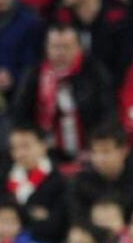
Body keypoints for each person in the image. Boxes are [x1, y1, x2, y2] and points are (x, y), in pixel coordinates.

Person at [12, 23, 115, 160]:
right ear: (46, 48)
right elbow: (20, 116)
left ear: (79, 48)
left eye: (66, 47)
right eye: (55, 47)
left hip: (89, 150)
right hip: (46, 150)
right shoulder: (34, 75)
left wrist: (95, 147)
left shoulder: (95, 73)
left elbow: (108, 114)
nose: (60, 53)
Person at [0, 122, 69, 243]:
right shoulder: (2, 175)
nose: (20, 154)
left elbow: (55, 226)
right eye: (14, 148)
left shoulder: (59, 180)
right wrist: (31, 213)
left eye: (26, 147)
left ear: (43, 145)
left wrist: (13, 218)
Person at [68, 122, 133, 223]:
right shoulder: (81, 181)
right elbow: (76, 220)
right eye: (94, 152)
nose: (99, 159)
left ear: (124, 151)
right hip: (91, 236)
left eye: (106, 152)